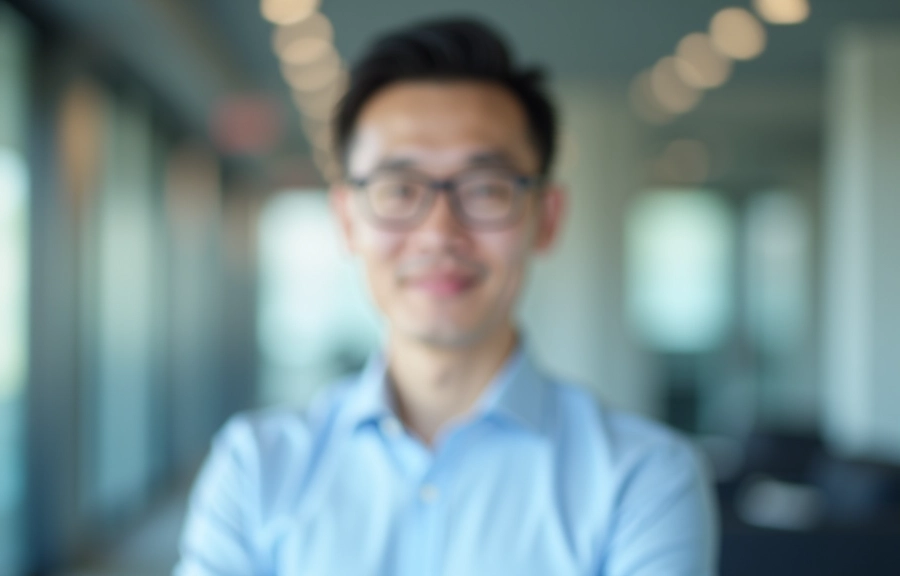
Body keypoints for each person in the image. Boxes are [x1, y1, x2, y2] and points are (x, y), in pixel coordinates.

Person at [174, 17, 717, 576]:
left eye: (484, 188)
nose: (438, 232)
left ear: (546, 217)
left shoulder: (643, 478)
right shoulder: (257, 467)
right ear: (346, 220)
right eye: (399, 189)